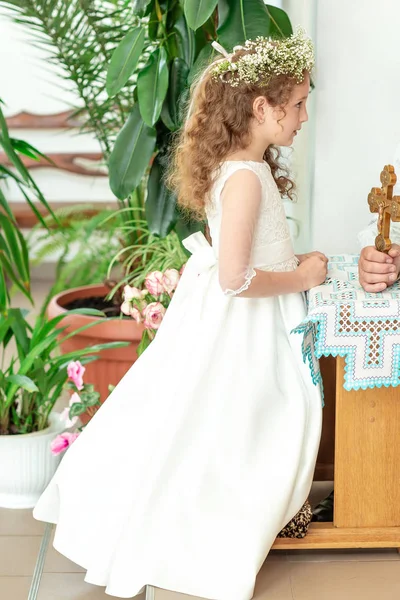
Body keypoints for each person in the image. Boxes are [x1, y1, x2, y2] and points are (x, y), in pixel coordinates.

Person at [34, 29, 327, 600]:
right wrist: (302, 277)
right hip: (245, 323)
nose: (304, 117)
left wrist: (295, 263)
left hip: (244, 314)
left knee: (219, 423)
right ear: (261, 108)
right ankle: (209, 532)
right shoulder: (244, 178)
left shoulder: (248, 166)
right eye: (296, 105)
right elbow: (235, 278)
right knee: (241, 421)